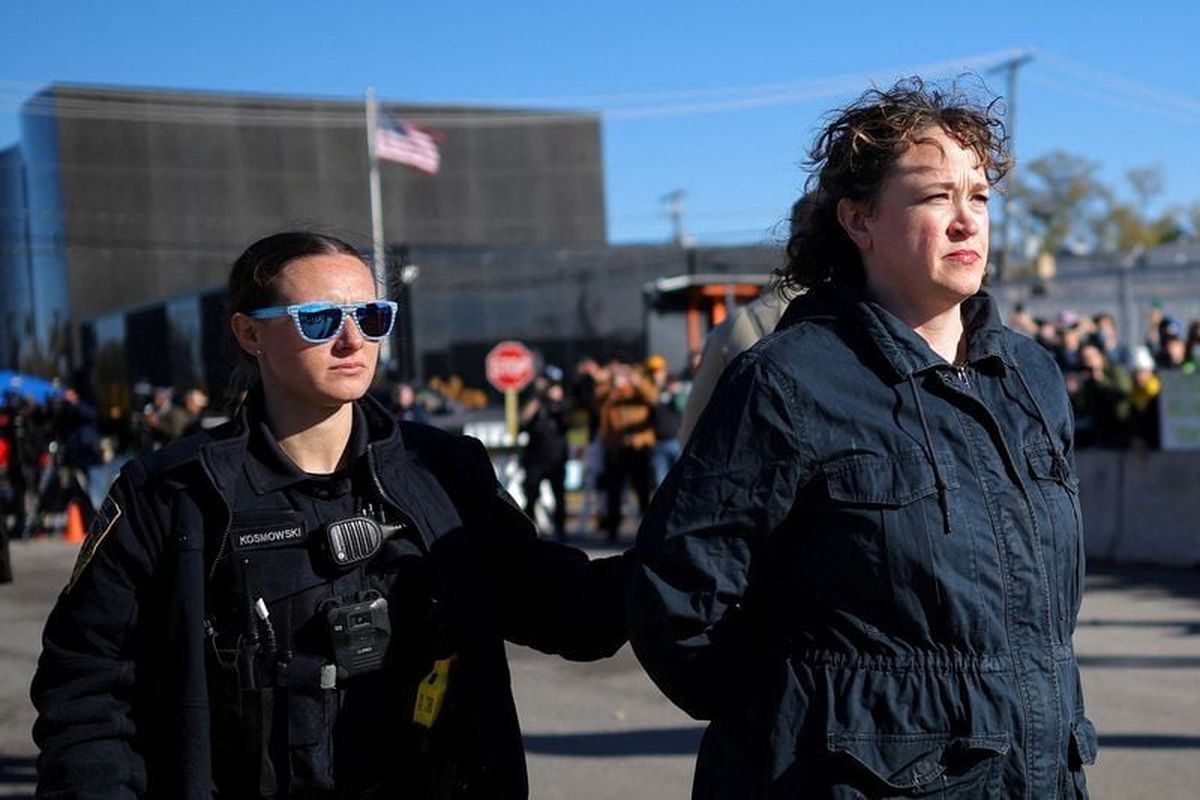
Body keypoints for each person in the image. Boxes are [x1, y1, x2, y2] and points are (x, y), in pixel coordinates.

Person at [32, 231, 628, 798]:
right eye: (318, 320)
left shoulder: (444, 469)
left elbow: (557, 603)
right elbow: (86, 686)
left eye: (372, 317)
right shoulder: (173, 493)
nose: (352, 340)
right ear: (249, 334)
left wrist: (683, 562)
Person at [628, 79, 1096, 798]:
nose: (967, 221)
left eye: (979, 196)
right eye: (936, 197)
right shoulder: (788, 382)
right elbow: (678, 597)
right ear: (859, 221)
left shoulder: (1028, 374)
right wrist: (805, 721)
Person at [518, 368, 570, 539]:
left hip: (556, 457)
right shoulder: (534, 401)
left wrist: (558, 401)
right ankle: (527, 531)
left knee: (559, 496)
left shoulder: (561, 404)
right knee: (531, 495)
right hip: (535, 457)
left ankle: (561, 530)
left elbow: (569, 422)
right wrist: (538, 398)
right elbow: (523, 421)